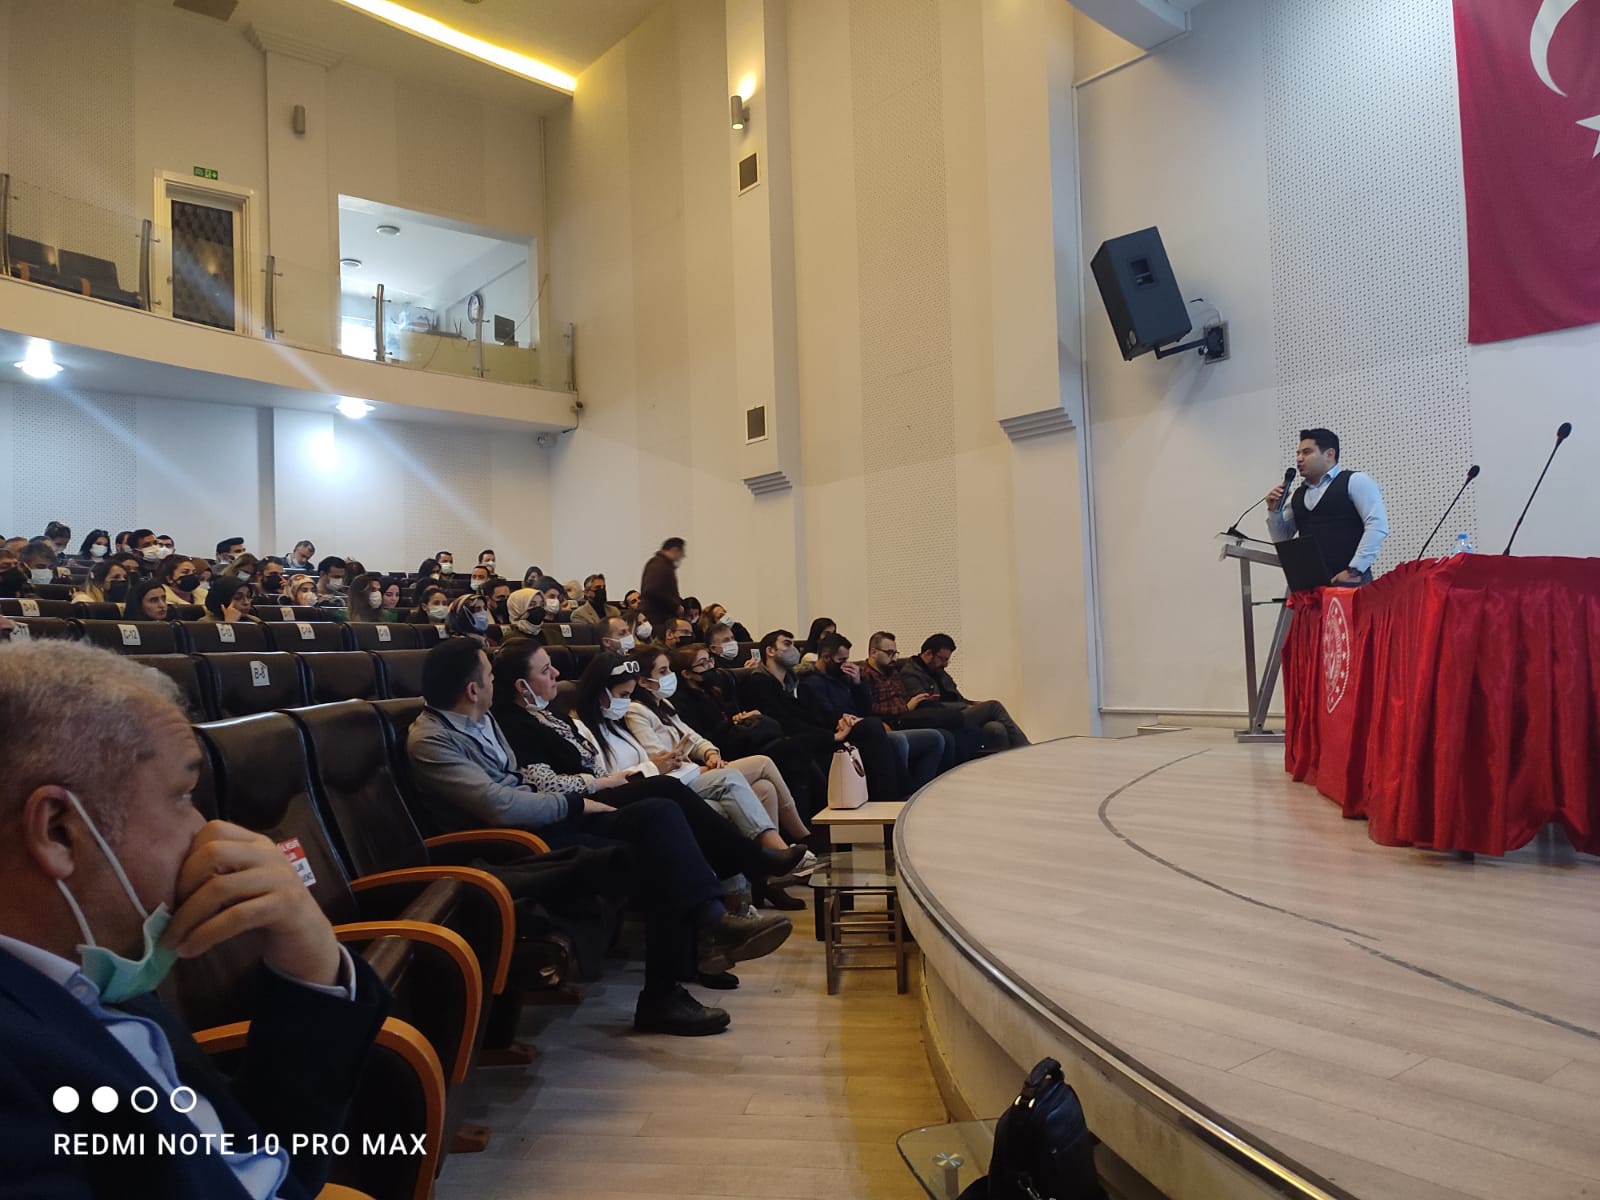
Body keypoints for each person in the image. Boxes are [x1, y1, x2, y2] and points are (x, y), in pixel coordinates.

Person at [0, 640, 390, 1198]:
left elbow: (264, 1162)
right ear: (60, 830)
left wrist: (311, 964)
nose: (206, 830)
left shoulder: (96, 971)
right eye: (183, 797)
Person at [409, 639, 795, 1035]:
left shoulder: (481, 718)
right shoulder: (433, 739)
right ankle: (682, 968)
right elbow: (499, 806)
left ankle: (710, 925)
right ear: (473, 690)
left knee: (662, 805)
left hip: (545, 818)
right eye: (489, 676)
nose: (495, 681)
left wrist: (577, 796)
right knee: (655, 846)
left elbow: (519, 782)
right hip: (511, 844)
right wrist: (576, 803)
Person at [570, 655, 804, 879]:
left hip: (663, 782)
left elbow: (691, 739)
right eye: (622, 695)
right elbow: (607, 780)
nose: (626, 702)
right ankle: (772, 855)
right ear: (600, 691)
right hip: (639, 794)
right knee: (730, 780)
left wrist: (704, 754)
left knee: (762, 788)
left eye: (629, 695)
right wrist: (657, 766)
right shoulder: (585, 728)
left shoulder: (617, 724)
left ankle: (759, 881)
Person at [629, 647, 815, 874]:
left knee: (765, 788)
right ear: (643, 681)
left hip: (693, 771)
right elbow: (658, 756)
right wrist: (699, 765)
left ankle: (767, 878)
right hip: (676, 780)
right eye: (663, 671)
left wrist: (711, 754)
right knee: (763, 763)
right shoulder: (636, 711)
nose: (670, 676)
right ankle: (794, 840)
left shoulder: (664, 706)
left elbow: (696, 739)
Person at [744, 629, 907, 803]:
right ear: (770, 651)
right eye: (787, 643)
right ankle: (890, 800)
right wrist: (832, 735)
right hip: (800, 740)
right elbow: (788, 723)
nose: (794, 649)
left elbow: (810, 715)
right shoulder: (763, 683)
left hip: (821, 732)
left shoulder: (792, 682)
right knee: (874, 727)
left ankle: (900, 797)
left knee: (884, 735)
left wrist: (856, 689)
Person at [804, 633, 952, 789]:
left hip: (863, 725)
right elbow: (826, 717)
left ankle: (921, 789)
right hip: (846, 730)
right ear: (826, 657)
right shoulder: (811, 684)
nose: (845, 664)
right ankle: (896, 792)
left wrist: (857, 684)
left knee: (936, 738)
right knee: (886, 735)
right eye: (841, 660)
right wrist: (853, 720)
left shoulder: (844, 677)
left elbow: (865, 709)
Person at [1266, 427, 1389, 585]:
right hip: (1310, 586)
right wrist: (1274, 512)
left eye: (1307, 452)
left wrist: (1355, 569)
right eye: (1298, 453)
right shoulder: (1297, 495)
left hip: (1350, 582)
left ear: (1329, 454)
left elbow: (1377, 525)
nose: (1299, 459)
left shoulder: (1356, 481)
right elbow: (1283, 541)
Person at [860, 631, 981, 763]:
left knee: (953, 729)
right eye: (889, 653)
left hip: (908, 713)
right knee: (954, 719)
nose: (894, 658)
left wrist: (917, 701)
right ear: (873, 652)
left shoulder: (893, 671)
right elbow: (870, 708)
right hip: (895, 719)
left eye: (895, 653)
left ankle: (967, 768)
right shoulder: (864, 675)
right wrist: (906, 707)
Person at [899, 634, 1031, 750]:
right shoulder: (910, 674)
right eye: (942, 659)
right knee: (993, 705)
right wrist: (966, 706)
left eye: (947, 659)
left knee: (996, 728)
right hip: (946, 716)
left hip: (957, 712)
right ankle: (1026, 749)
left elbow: (955, 697)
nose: (945, 664)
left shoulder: (939, 672)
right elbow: (926, 705)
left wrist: (972, 703)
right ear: (928, 654)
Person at [639, 537, 686, 631]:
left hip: (658, 618)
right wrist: (675, 606)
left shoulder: (658, 564)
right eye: (681, 553)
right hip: (658, 620)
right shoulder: (660, 565)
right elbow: (652, 589)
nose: (683, 557)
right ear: (674, 550)